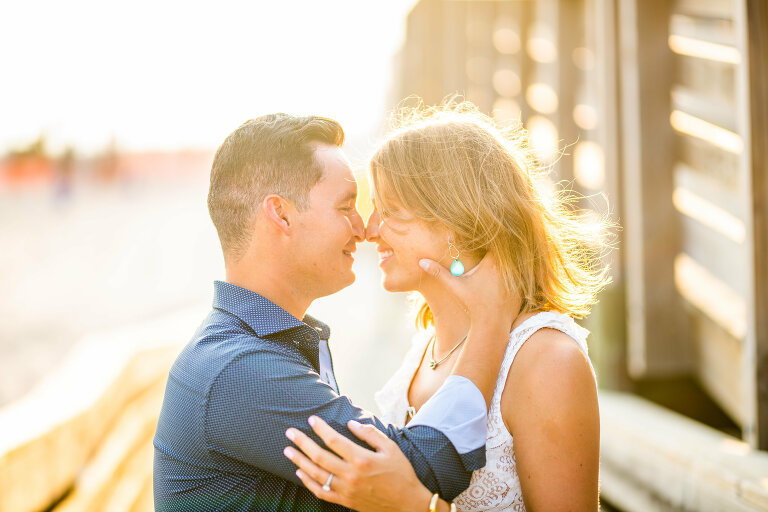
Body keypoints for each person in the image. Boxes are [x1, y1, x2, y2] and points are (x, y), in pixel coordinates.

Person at [152, 113, 517, 512]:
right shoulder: (240, 371)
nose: (363, 229)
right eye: (347, 207)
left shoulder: (248, 349)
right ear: (282, 215)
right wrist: (490, 321)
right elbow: (416, 473)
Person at [284, 103, 610, 511]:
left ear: (457, 223)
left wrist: (417, 506)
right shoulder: (425, 348)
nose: (369, 231)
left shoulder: (547, 360)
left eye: (392, 213)